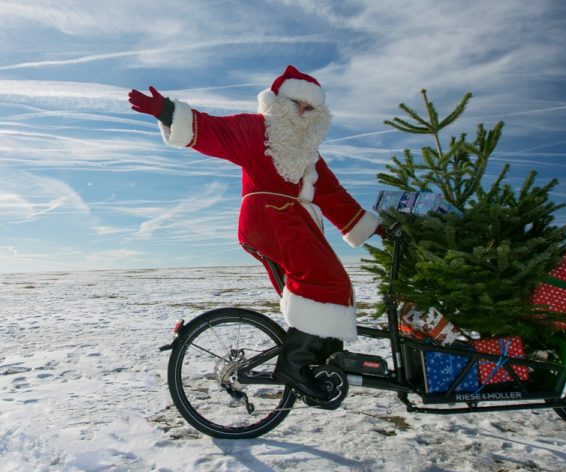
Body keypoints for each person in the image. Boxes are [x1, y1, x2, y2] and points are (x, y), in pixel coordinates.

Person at [128, 65, 382, 401]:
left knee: (328, 283)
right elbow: (216, 131)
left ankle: (320, 362)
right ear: (278, 102)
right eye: (297, 104)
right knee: (325, 279)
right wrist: (167, 111)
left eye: (311, 108)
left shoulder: (308, 156)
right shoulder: (256, 130)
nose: (303, 112)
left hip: (293, 223)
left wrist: (376, 226)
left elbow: (334, 197)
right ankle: (296, 364)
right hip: (269, 220)